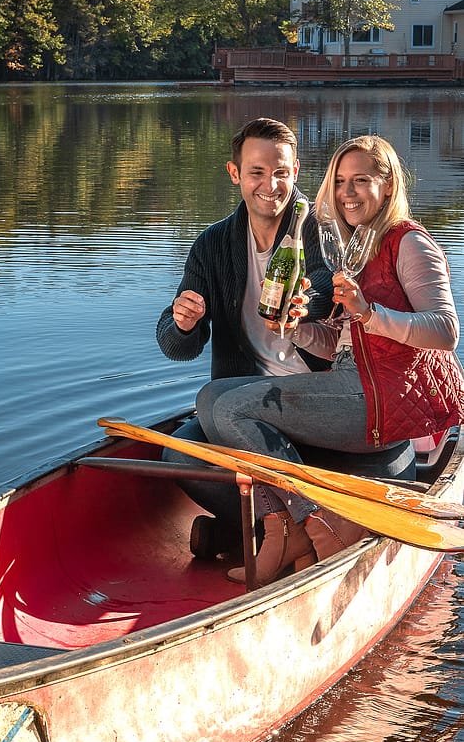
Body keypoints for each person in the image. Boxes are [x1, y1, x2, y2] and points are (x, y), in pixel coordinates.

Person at [196, 134, 464, 587]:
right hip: (350, 382)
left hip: (381, 396)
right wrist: (296, 328)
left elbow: (445, 330)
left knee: (231, 408)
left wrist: (368, 312)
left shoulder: (409, 243)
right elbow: (340, 343)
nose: (347, 193)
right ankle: (288, 528)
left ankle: (308, 523)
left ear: (388, 184)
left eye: (361, 180)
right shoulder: (354, 248)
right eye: (340, 181)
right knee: (211, 397)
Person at [156, 117, 333, 559]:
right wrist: (183, 322)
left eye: (281, 173)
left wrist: (303, 308)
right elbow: (177, 347)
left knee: (213, 400)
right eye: (256, 172)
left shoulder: (320, 229)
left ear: (295, 172)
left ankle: (263, 535)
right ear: (235, 173)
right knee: (177, 457)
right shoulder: (212, 244)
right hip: (245, 400)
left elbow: (325, 286)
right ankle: (279, 533)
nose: (269, 185)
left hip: (316, 394)